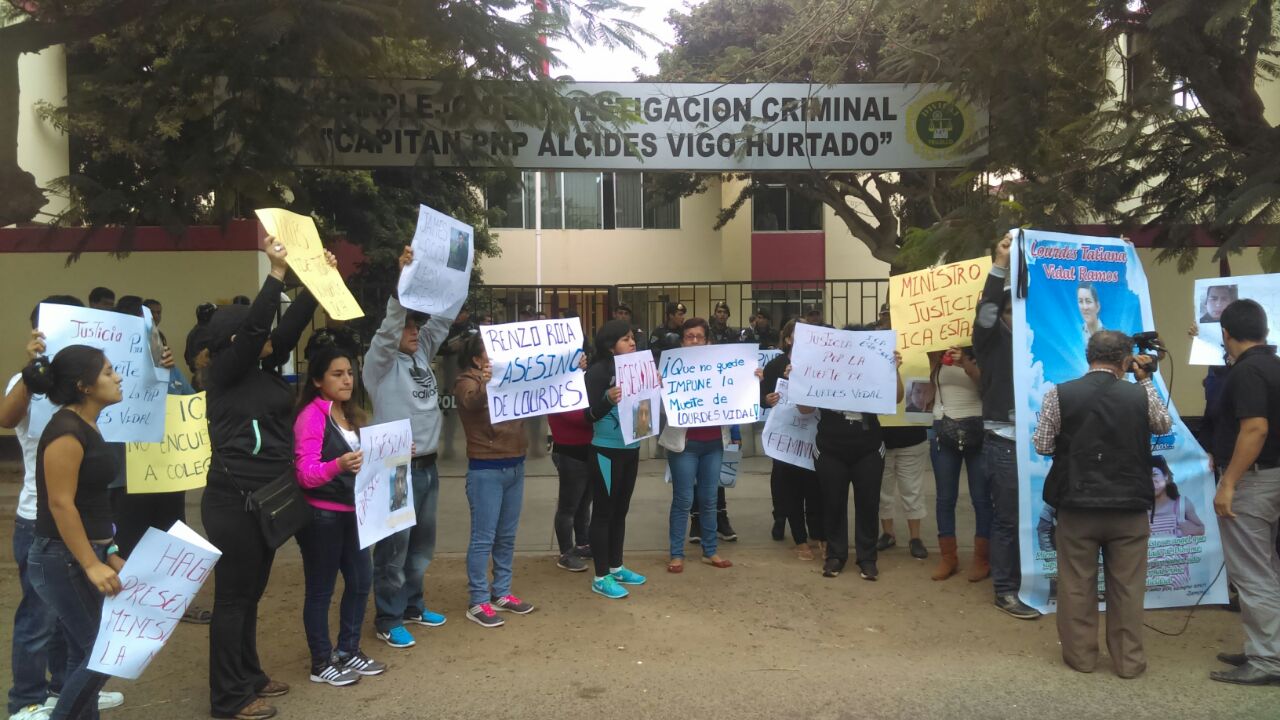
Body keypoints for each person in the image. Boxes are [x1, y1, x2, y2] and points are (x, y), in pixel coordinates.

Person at [201, 238, 327, 720]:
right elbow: (258, 329)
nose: (268, 338)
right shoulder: (225, 374)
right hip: (234, 503)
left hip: (268, 497)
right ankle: (228, 698)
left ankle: (250, 676)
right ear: (235, 341)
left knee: (251, 595)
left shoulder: (263, 368)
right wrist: (275, 273)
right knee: (233, 599)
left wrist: (315, 282)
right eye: (255, 335)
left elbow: (286, 330)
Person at [2, 296, 126, 720]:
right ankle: (33, 704)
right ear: (84, 386)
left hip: (83, 549)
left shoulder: (88, 424)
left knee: (81, 650)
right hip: (60, 553)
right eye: (107, 371)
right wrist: (91, 563)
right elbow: (61, 503)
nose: (117, 376)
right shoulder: (66, 431)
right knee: (96, 650)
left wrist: (108, 549)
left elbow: (93, 500)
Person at [1033, 330, 1170, 678]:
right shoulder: (1139, 393)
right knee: (1127, 587)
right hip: (1129, 507)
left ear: (1088, 356)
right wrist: (1145, 380)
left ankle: (1081, 657)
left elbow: (1043, 446)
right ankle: (1128, 662)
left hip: (1076, 505)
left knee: (1076, 584)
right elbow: (1163, 424)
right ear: (1126, 360)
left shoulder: (1058, 394)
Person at [364, 246, 455, 650]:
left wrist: (455, 277)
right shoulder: (380, 363)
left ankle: (413, 605)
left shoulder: (421, 355)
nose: (415, 332)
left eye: (417, 325)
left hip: (427, 466)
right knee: (393, 548)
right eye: (408, 326)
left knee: (421, 545)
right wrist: (402, 282)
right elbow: (389, 328)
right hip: (396, 465)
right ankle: (389, 617)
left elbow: (445, 318)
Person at [292, 345, 385, 687]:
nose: (347, 380)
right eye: (337, 374)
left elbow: (366, 463)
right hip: (322, 517)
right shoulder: (311, 416)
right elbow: (304, 473)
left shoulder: (352, 415)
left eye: (349, 373)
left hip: (354, 513)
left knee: (360, 581)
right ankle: (321, 661)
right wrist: (337, 465)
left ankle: (348, 649)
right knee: (321, 589)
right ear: (318, 380)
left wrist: (395, 452)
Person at [1208, 299, 1280, 685]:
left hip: (1253, 481)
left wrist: (1229, 482)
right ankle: (1266, 647)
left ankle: (1267, 660)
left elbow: (1255, 428)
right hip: (1272, 477)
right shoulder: (1274, 365)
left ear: (1226, 334)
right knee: (1268, 568)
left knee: (1252, 573)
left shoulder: (1248, 371)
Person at [800, 326, 903, 581]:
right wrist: (799, 379)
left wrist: (894, 369)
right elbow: (804, 408)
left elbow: (897, 397)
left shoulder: (876, 365)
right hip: (830, 446)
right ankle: (835, 556)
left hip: (868, 446)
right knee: (832, 502)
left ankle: (867, 558)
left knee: (868, 503)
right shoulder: (824, 366)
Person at [974, 234, 1040, 619]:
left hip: (1043, 439)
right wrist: (1000, 264)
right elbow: (985, 312)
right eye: (1011, 308)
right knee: (1009, 518)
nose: (1019, 313)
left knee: (1042, 515)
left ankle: (1038, 583)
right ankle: (1006, 590)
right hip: (1006, 440)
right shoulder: (991, 338)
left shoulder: (1040, 338)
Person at [454, 336, 535, 628]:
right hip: (486, 468)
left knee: (506, 536)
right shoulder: (466, 381)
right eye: (490, 352)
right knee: (483, 538)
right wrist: (487, 384)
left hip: (515, 464)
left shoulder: (511, 375)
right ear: (477, 360)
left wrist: (570, 367)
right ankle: (478, 600)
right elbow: (471, 401)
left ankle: (501, 591)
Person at [583, 320, 647, 599]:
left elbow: (647, 407)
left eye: (632, 338)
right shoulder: (598, 372)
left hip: (632, 448)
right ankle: (601, 576)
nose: (632, 343)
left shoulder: (639, 367)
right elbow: (588, 416)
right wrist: (607, 400)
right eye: (625, 339)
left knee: (621, 510)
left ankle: (616, 566)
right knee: (603, 513)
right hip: (605, 452)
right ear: (610, 346)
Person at [665, 318, 733, 573]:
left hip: (714, 443)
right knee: (683, 499)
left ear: (708, 341)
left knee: (709, 499)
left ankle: (710, 550)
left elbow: (737, 392)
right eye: (689, 336)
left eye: (699, 337)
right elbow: (658, 407)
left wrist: (752, 378)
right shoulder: (671, 369)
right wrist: (659, 386)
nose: (694, 341)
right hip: (685, 444)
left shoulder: (721, 367)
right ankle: (676, 554)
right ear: (682, 342)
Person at [928, 347, 991, 582]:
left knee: (981, 498)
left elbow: (987, 386)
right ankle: (948, 557)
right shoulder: (937, 352)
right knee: (945, 498)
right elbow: (932, 388)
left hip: (978, 429)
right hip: (943, 428)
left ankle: (982, 558)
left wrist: (966, 362)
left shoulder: (982, 353)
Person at [762, 320, 823, 560]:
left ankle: (817, 532)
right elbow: (764, 397)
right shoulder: (775, 365)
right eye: (800, 333)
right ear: (788, 339)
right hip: (786, 438)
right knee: (789, 488)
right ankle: (799, 538)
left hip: (813, 437)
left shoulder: (820, 364)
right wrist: (767, 399)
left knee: (815, 487)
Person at [549, 407, 594, 572]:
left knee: (584, 503)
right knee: (568, 507)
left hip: (588, 449)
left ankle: (582, 544)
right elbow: (577, 418)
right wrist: (602, 409)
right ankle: (566, 553)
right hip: (569, 452)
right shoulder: (562, 393)